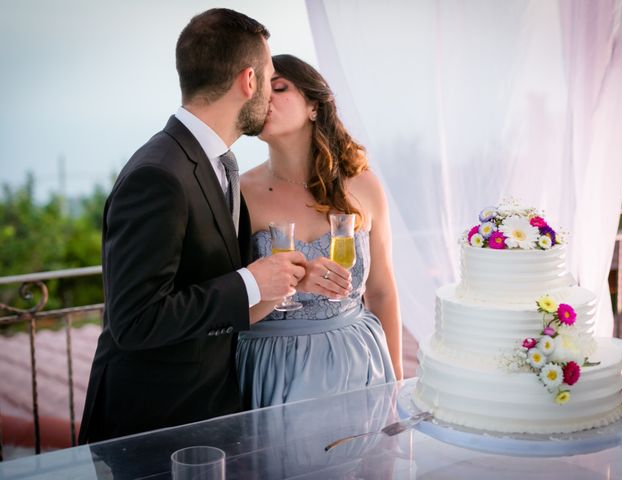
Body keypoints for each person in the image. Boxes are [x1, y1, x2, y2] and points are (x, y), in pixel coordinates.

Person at [78, 9, 305, 443]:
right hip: (152, 424)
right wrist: (250, 283)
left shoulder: (218, 164)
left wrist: (275, 287)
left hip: (206, 412)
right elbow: (136, 319)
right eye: (269, 76)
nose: (270, 98)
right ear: (248, 80)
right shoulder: (158, 175)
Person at [236, 54, 403, 408]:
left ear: (314, 106)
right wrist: (290, 282)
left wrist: (397, 380)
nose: (265, 99)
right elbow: (231, 311)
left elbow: (383, 292)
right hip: (275, 368)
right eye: (259, 92)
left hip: (360, 361)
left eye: (279, 88)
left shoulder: (364, 187)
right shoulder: (241, 194)